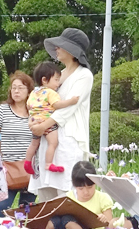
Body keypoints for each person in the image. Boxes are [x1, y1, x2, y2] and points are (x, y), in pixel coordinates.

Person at [29, 29, 95, 204]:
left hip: (68, 138)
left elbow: (68, 109)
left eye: (61, 46)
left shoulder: (84, 75)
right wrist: (34, 121)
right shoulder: (58, 74)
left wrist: (43, 126)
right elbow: (40, 101)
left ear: (73, 51)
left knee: (67, 192)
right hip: (48, 137)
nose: (57, 49)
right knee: (45, 194)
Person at [0, 71, 36, 219]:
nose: (16, 91)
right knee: (2, 206)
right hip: (9, 167)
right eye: (13, 87)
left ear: (29, 90)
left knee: (28, 209)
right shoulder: (3, 110)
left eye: (21, 88)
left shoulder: (35, 111)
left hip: (31, 167)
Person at [24, 61, 76, 176]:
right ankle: (48, 164)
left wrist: (34, 118)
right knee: (53, 143)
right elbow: (57, 105)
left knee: (33, 144)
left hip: (35, 122)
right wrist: (71, 102)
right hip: (48, 124)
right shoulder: (50, 92)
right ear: (45, 80)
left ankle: (27, 161)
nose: (58, 83)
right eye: (56, 80)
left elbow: (28, 105)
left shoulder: (34, 92)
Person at [45, 161, 116, 229]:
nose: (86, 192)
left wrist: (105, 221)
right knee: (54, 221)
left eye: (90, 187)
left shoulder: (102, 198)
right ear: (74, 185)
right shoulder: (67, 198)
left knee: (68, 220)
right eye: (81, 189)